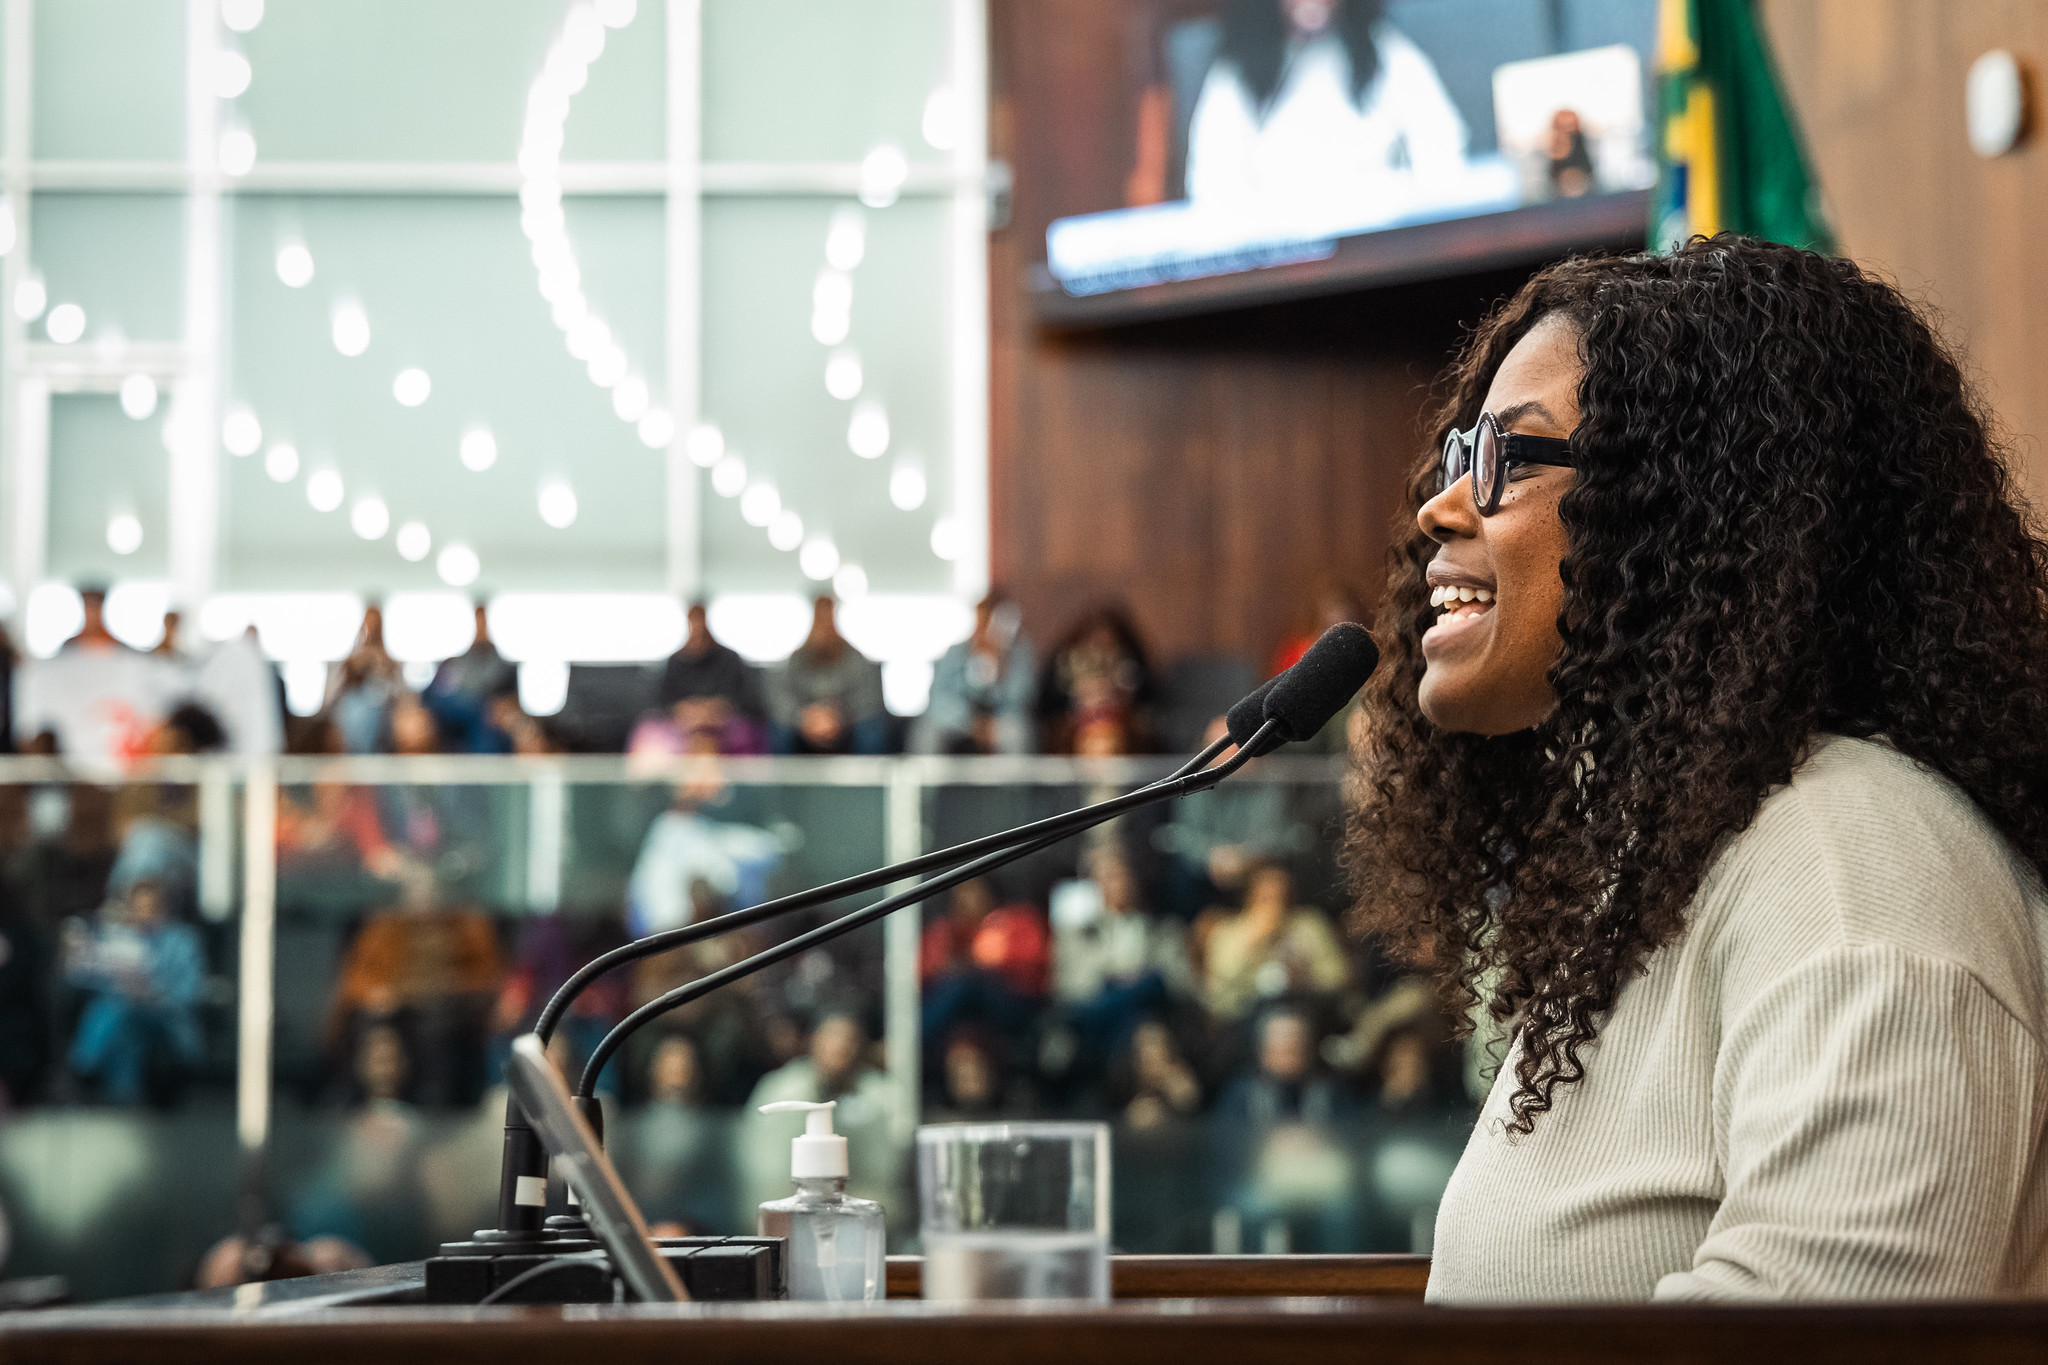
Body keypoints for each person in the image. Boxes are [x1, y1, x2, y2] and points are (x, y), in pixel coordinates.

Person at [1347, 237, 2048, 1301]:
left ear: (1690, 512)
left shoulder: (1848, 865)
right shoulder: (1675, 853)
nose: (1440, 509)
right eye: (1456, 457)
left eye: (1506, 458)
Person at [1184, 0, 1466, 212]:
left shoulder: (1382, 51)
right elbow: (1211, 185)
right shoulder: (1237, 72)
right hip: (1283, 261)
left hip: (1378, 243)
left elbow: (1441, 145)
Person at [1210, 1007, 1358, 1253]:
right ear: (1263, 1050)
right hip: (1259, 1187)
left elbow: (1356, 1147)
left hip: (1322, 1187)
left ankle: (1342, 1286)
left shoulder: (1331, 1093)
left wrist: (1321, 1142)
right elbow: (1224, 1157)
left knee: (1343, 1209)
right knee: (1252, 1208)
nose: (1290, 1051)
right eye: (1280, 1045)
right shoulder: (1240, 1097)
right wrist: (1266, 1145)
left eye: (1296, 1043)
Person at [63, 877, 205, 1106]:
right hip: (126, 1016)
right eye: (139, 908)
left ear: (165, 908)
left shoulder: (182, 942)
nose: (145, 915)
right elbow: (83, 980)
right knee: (123, 1022)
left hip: (167, 1019)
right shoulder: (120, 939)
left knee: (115, 1010)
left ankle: (85, 1066)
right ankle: (124, 1098)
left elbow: (190, 992)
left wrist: (152, 993)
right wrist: (82, 954)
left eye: (152, 908)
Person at [739, 1012, 897, 1214]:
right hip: (790, 1212)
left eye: (849, 1039)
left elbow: (885, 1176)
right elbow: (764, 1170)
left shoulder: (879, 1097)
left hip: (858, 1216)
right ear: (813, 1040)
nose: (841, 1047)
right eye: (832, 1036)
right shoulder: (782, 1091)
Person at [1051, 845, 1195, 1067]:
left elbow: (1181, 985)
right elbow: (1069, 991)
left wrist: (1136, 983)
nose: (1118, 883)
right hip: (1097, 1016)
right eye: (1107, 877)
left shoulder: (1164, 930)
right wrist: (1117, 981)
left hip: (1146, 1012)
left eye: (1122, 874)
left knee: (1148, 988)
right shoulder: (1077, 935)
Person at [1198, 860, 1350, 1021]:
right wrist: (1255, 939)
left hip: (1307, 1010)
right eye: (1265, 894)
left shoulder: (1309, 924)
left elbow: (1339, 976)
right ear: (1249, 893)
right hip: (1245, 1017)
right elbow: (1218, 988)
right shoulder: (1228, 931)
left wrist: (1306, 978)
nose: (1274, 899)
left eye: (1280, 893)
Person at [913, 589, 1037, 755]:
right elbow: (938, 696)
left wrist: (1001, 666)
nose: (983, 626)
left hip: (999, 720)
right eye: (981, 618)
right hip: (960, 718)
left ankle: (1013, 781)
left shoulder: (1018, 654)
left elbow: (1021, 700)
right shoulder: (956, 652)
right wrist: (968, 722)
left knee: (1016, 732)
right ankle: (928, 780)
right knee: (929, 729)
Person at [763, 595, 888, 755]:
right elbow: (782, 698)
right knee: (778, 727)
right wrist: (804, 718)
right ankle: (784, 779)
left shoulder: (855, 658)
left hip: (847, 724)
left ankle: (868, 778)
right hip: (804, 724)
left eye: (828, 616)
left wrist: (838, 717)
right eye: (820, 617)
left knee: (872, 728)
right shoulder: (796, 659)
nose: (824, 625)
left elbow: (868, 700)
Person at [1036, 603, 1156, 754]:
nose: (1101, 643)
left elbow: (1144, 696)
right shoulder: (1065, 662)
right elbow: (1052, 703)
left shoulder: (1130, 662)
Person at [656, 601, 763, 754]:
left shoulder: (729, 659)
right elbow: (664, 701)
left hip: (725, 725)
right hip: (682, 727)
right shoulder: (675, 661)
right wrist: (686, 711)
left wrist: (716, 710)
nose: (697, 629)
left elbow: (743, 699)